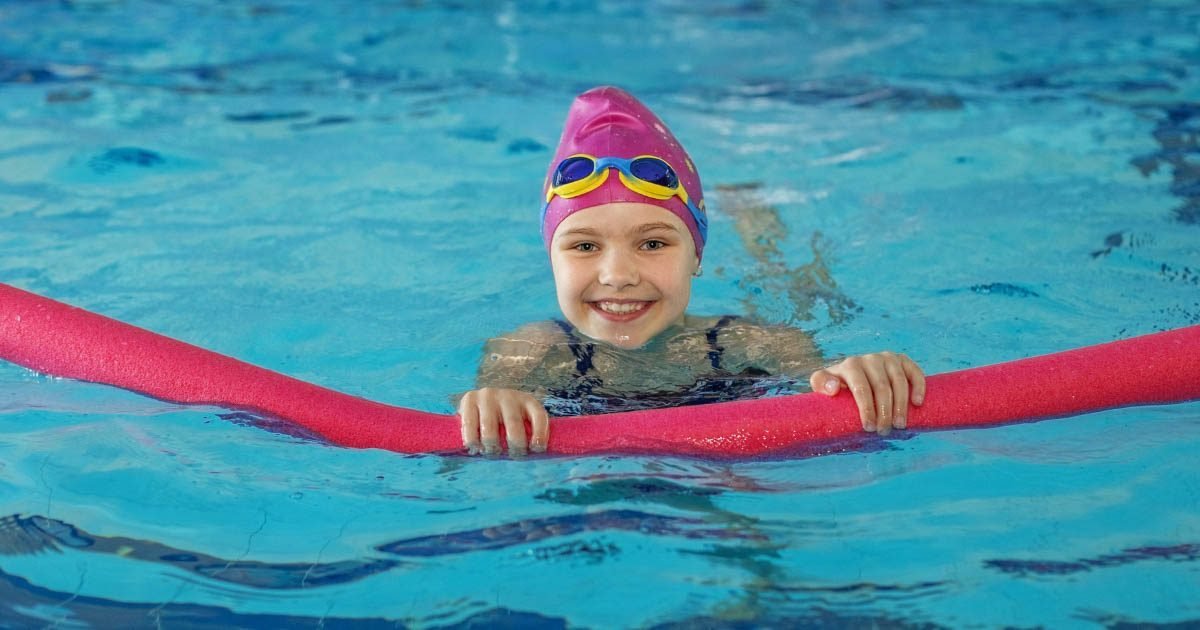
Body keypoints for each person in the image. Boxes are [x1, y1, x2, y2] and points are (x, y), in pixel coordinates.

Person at [458, 86, 925, 456]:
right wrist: (490, 403)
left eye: (654, 243)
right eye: (583, 245)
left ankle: (758, 222)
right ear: (551, 260)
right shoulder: (532, 350)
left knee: (792, 286)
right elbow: (482, 419)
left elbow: (825, 394)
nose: (617, 274)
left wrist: (859, 377)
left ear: (696, 256)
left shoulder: (757, 344)